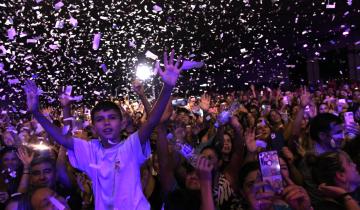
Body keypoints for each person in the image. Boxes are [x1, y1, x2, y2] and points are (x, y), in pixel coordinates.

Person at [23, 49, 184, 210]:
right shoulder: (91, 151)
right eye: (100, 119)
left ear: (122, 123)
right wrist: (36, 112)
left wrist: (168, 86)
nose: (106, 123)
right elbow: (62, 139)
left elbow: (151, 122)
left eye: (112, 118)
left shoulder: (131, 146)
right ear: (93, 126)